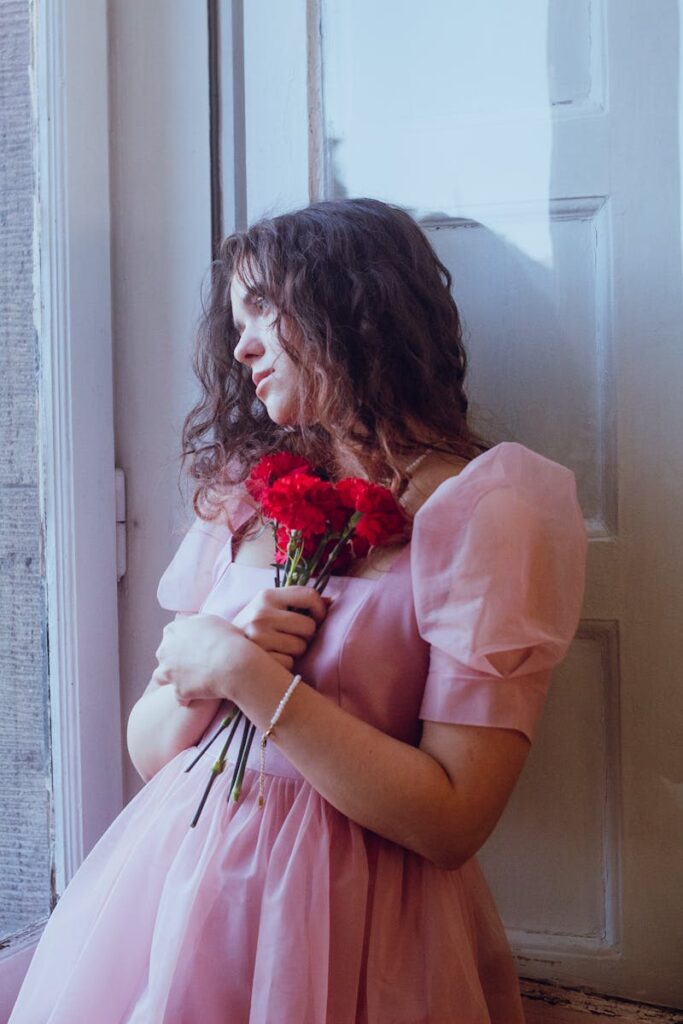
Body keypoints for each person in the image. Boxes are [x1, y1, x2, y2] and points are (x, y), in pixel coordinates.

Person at [10, 197, 587, 1023]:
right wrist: (211, 665)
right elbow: (150, 751)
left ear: (354, 305)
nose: (239, 347)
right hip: (175, 896)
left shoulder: (490, 508)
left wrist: (249, 676)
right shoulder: (247, 495)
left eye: (263, 312)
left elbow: (455, 818)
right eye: (234, 319)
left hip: (356, 920)